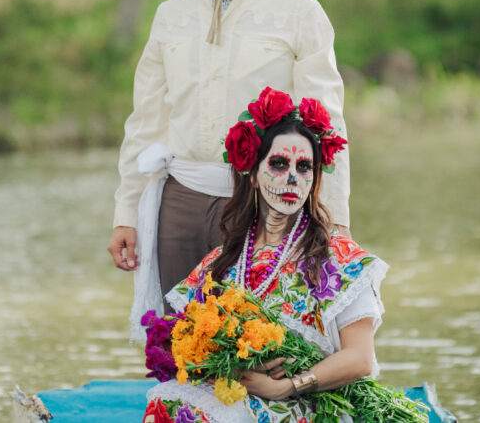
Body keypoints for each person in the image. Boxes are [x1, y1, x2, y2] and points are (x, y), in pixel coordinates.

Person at [107, 0, 351, 333]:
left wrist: (334, 221)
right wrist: (126, 214)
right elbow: (145, 121)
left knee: (258, 338)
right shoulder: (171, 15)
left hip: (262, 201)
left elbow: (327, 126)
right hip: (180, 200)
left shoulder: (301, 12)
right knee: (181, 338)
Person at [142, 90, 386, 422]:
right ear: (254, 175)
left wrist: (287, 386)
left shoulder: (337, 258)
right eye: (279, 163)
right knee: (167, 406)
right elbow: (191, 347)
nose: (291, 178)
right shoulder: (223, 262)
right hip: (239, 394)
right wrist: (228, 369)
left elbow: (360, 359)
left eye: (304, 167)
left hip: (310, 399)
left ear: (314, 179)